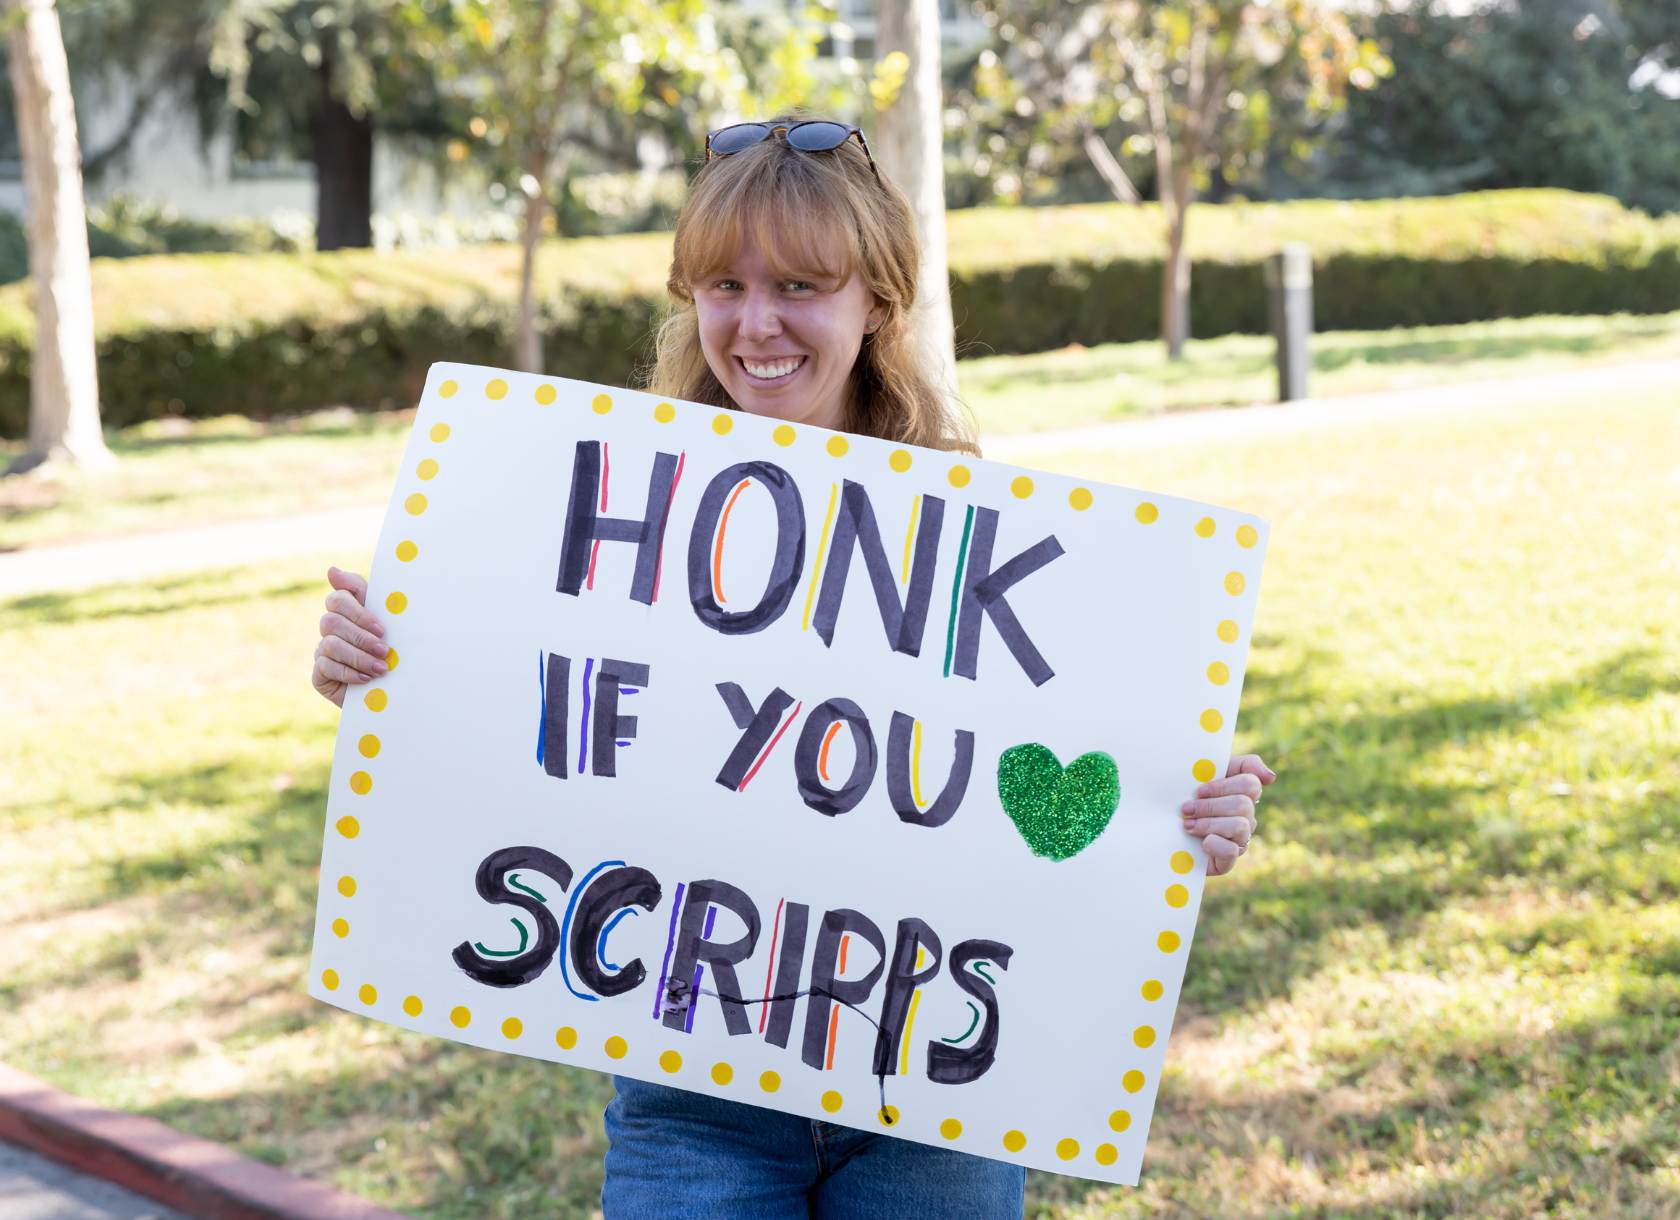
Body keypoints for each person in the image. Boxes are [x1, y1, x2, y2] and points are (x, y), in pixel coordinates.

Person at [310, 117, 1275, 1219]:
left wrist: (1181, 816)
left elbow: (1049, 811)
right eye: (722, 283)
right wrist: (379, 670)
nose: (754, 323)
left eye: (802, 285)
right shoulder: (600, 522)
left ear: (880, 302)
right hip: (692, 1090)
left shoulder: (983, 546)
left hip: (929, 1098)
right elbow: (505, 716)